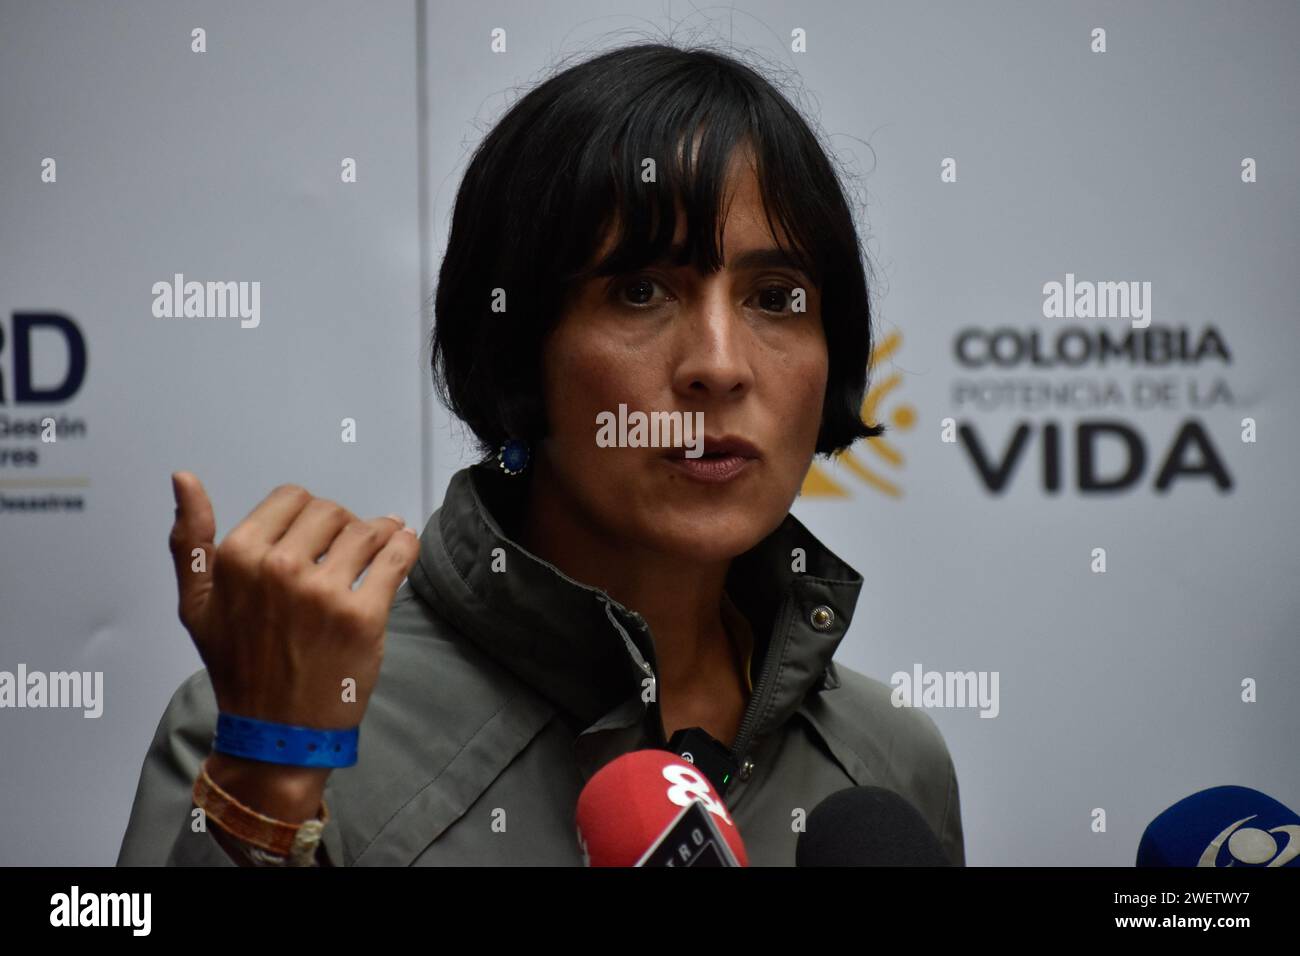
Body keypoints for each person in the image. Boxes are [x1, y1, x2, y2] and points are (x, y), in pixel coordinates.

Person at [117, 42, 964, 867]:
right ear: (520, 349)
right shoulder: (286, 725)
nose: (720, 364)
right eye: (641, 291)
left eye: (777, 298)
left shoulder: (890, 768)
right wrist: (263, 793)